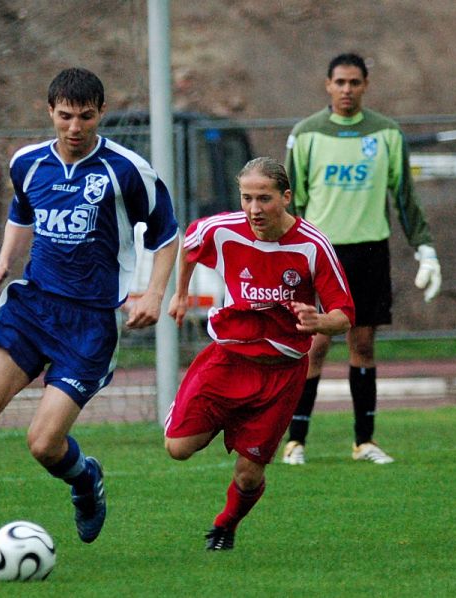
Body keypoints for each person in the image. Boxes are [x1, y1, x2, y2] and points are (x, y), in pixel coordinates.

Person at [0, 67, 179, 568]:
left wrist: (153, 294)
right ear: (50, 111)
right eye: (65, 116)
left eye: (85, 117)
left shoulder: (127, 170)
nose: (74, 127)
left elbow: (167, 234)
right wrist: (4, 262)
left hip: (90, 324)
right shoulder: (27, 163)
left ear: (101, 113)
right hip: (32, 307)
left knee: (44, 445)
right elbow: (22, 214)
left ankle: (85, 480)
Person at [164, 157, 355, 550]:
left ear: (285, 197)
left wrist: (320, 321)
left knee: (249, 475)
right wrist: (180, 294)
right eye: (246, 198)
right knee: (178, 449)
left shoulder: (312, 245)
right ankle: (212, 414)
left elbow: (345, 315)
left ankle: (226, 525)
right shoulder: (222, 230)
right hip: (228, 361)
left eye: (264, 198)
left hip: (281, 375)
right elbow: (191, 243)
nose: (254, 209)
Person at [282, 53, 441, 466]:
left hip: (371, 250)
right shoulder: (306, 134)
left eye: (354, 82)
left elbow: (404, 197)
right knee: (315, 344)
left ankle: (364, 441)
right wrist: (283, 252)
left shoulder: (387, 133)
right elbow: (291, 202)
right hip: (322, 253)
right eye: (340, 82)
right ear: (328, 85)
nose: (347, 89)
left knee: (364, 344)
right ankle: (295, 441)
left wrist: (424, 247)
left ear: (365, 85)